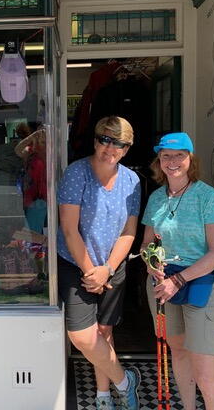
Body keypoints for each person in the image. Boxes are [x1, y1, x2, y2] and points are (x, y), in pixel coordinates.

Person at [141, 132, 214, 410]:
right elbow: (147, 243)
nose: (172, 161)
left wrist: (178, 280)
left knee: (206, 377)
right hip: (163, 285)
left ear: (190, 159)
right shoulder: (157, 198)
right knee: (178, 354)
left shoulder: (206, 196)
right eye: (166, 155)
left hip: (198, 283)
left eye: (179, 155)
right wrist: (151, 263)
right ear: (159, 160)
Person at [57, 116, 141, 410]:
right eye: (104, 139)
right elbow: (69, 228)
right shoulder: (76, 173)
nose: (110, 147)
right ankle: (125, 381)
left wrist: (107, 269)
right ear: (95, 140)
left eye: (118, 143)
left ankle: (103, 396)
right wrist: (90, 270)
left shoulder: (132, 181)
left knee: (105, 332)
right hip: (76, 264)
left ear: (127, 148)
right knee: (82, 335)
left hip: (112, 266)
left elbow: (129, 231)